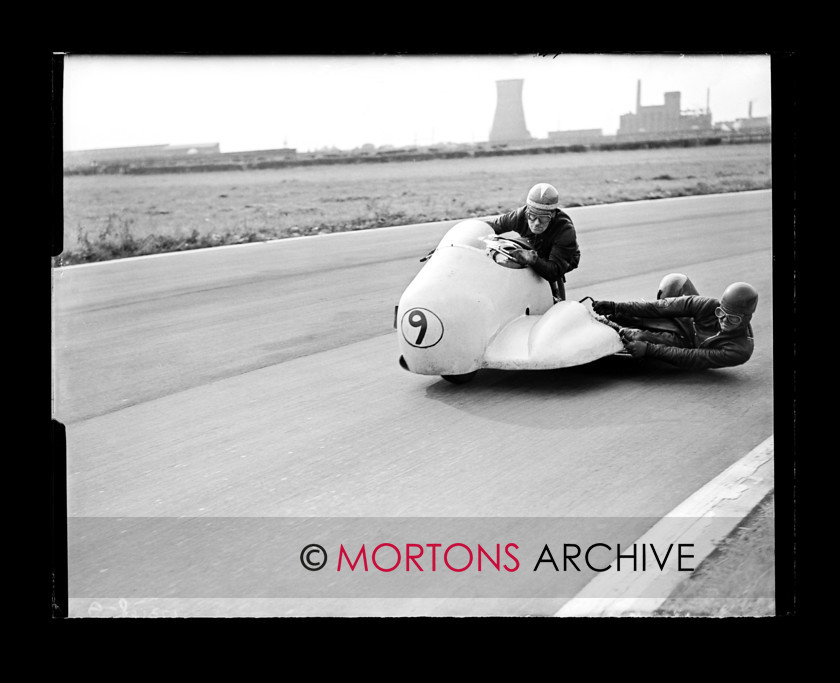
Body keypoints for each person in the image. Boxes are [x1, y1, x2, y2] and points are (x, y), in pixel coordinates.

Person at [591, 275, 758, 370]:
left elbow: (693, 358)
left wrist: (649, 349)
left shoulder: (740, 350)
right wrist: (614, 306)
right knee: (674, 281)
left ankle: (617, 329)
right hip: (686, 324)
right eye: (721, 313)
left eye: (733, 318)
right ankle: (612, 319)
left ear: (747, 318)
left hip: (691, 348)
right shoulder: (708, 305)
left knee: (637, 338)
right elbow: (658, 307)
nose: (724, 320)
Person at [486, 182, 580, 301]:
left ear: (553, 215)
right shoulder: (519, 215)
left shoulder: (565, 230)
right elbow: (493, 226)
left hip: (563, 258)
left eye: (544, 218)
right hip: (534, 245)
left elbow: (554, 271)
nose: (536, 223)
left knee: (549, 276)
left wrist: (533, 260)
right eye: (532, 216)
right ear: (527, 211)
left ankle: (556, 299)